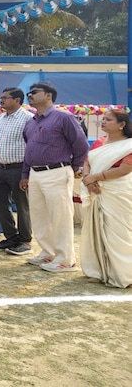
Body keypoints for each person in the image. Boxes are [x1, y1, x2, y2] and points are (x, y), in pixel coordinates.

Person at [21, 82, 89, 272]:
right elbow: (29, 150)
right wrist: (25, 174)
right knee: (39, 215)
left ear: (48, 95)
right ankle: (48, 252)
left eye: (34, 92)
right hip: (35, 173)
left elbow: (81, 145)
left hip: (57, 171)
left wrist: (74, 167)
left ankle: (66, 260)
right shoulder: (32, 122)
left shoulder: (64, 118)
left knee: (60, 216)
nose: (30, 95)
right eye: (29, 93)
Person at [79, 108, 132, 288]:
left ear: (122, 125)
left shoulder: (129, 145)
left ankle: (122, 273)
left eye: (108, 120)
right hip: (96, 190)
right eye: (103, 119)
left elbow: (125, 169)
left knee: (117, 232)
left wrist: (96, 177)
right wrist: (88, 180)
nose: (103, 122)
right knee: (97, 230)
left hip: (117, 193)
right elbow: (87, 162)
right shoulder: (100, 143)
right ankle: (100, 271)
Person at [0, 87, 34, 256]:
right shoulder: (0, 118)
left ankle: (25, 240)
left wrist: (27, 172)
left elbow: (32, 146)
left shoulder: (28, 119)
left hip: (19, 168)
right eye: (1, 97)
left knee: (22, 205)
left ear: (17, 100)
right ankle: (10, 237)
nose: (1, 100)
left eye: (5, 98)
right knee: (0, 204)